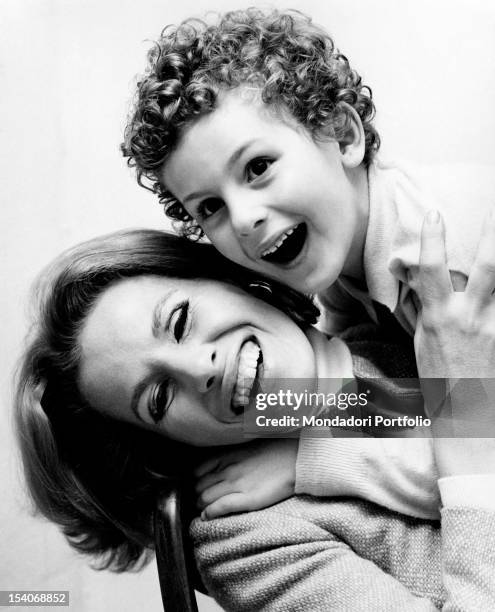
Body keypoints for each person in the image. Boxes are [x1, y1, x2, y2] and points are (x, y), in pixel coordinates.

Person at [14, 221, 495, 609]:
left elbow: (377, 403)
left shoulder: (395, 320)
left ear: (231, 278)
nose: (199, 368)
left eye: (180, 321)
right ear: (170, 443)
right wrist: (472, 413)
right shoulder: (245, 538)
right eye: (159, 398)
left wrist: (313, 456)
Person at [122, 7, 495, 343]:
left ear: (343, 136)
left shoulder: (441, 265)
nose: (243, 219)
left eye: (258, 167)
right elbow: (353, 348)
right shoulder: (340, 250)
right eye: (210, 206)